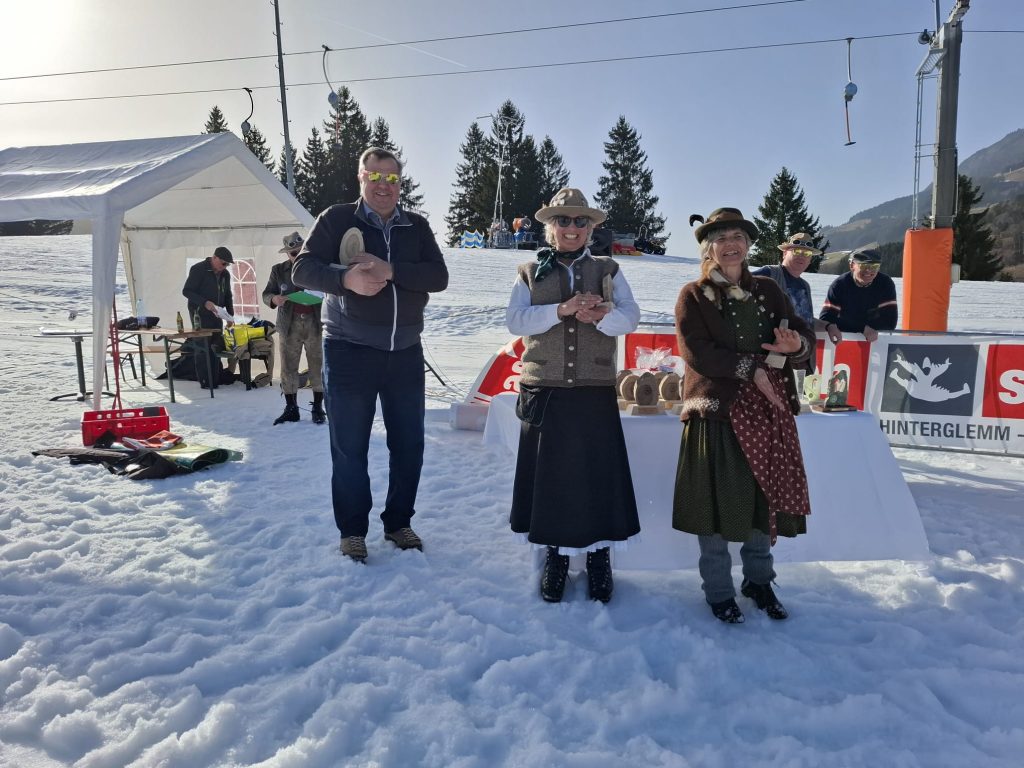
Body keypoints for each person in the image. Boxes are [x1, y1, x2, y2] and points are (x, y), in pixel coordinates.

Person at [291, 147, 449, 563]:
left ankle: (398, 523)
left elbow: (438, 276)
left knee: (410, 445)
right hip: (349, 351)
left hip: (405, 352)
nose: (383, 185)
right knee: (349, 447)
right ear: (360, 178)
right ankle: (352, 531)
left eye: (391, 178)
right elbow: (302, 270)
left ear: (400, 183)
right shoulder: (337, 219)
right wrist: (346, 280)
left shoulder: (416, 226)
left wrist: (390, 270)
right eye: (374, 176)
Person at [673, 208, 814, 623]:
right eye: (721, 238)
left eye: (738, 236)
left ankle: (759, 581)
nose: (731, 244)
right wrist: (749, 368)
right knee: (715, 508)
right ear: (708, 249)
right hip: (717, 412)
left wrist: (795, 347)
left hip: (767, 412)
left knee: (761, 500)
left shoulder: (769, 289)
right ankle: (719, 591)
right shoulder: (693, 295)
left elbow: (800, 331)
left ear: (749, 245)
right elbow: (696, 352)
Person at [506, 188, 642, 603]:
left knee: (597, 476)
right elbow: (515, 320)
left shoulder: (608, 268)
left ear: (590, 229)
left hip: (593, 388)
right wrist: (561, 310)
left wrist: (600, 317)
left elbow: (630, 317)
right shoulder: (529, 270)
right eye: (563, 220)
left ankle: (599, 558)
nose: (571, 228)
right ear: (550, 227)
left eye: (580, 221)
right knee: (551, 481)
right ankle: (556, 558)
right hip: (544, 388)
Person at [263, 231, 325, 425]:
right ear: (287, 254)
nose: (297, 255)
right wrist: (274, 299)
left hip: (314, 322)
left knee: (318, 365)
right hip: (289, 324)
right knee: (288, 367)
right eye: (293, 253)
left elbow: (328, 290)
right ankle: (291, 408)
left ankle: (318, 408)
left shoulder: (317, 266)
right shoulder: (278, 270)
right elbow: (267, 294)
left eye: (301, 251)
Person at [819, 246, 898, 343]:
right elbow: (826, 320)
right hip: (844, 340)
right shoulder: (840, 285)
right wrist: (862, 328)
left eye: (874, 266)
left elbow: (889, 322)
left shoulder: (885, 283)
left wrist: (848, 323)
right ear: (852, 265)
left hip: (875, 341)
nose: (869, 270)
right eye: (863, 266)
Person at [182, 245, 235, 388]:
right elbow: (187, 291)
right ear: (214, 257)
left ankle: (215, 378)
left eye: (227, 264)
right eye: (223, 263)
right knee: (202, 346)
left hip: (217, 314)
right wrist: (205, 302)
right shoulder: (198, 269)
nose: (225, 267)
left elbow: (228, 295)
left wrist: (230, 316)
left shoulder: (225, 274)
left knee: (216, 346)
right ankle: (206, 381)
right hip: (199, 315)